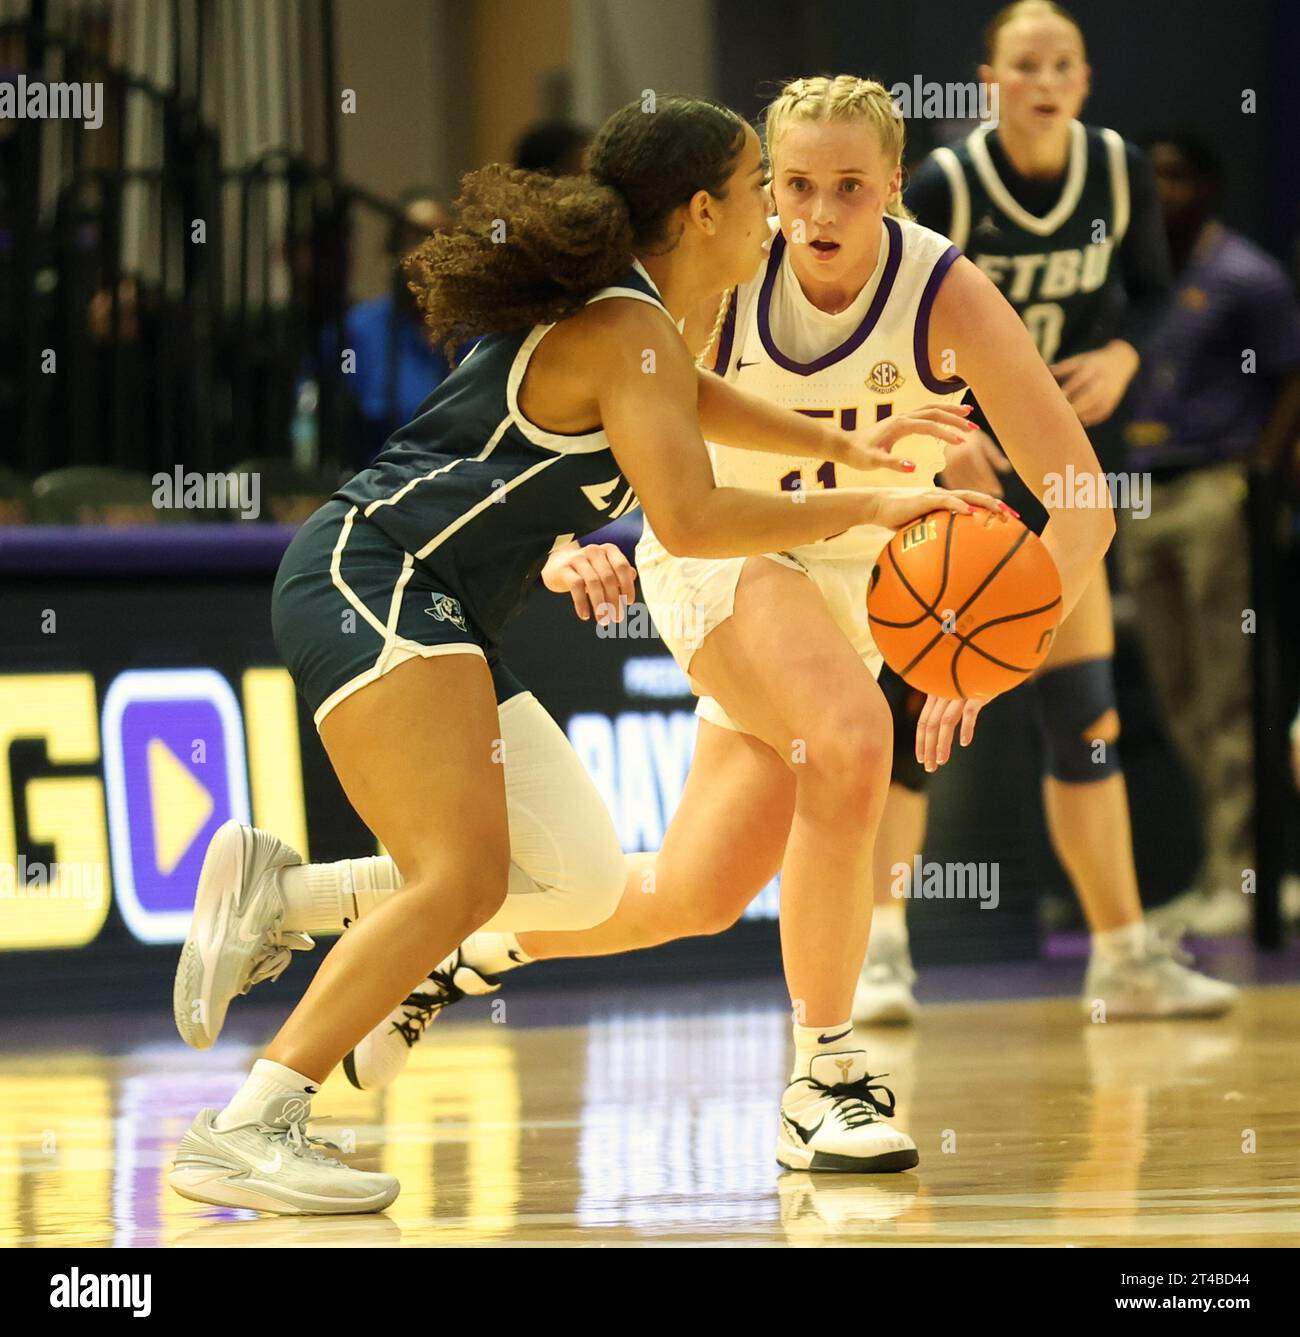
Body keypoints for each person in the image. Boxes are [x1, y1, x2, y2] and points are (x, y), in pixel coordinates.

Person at [232, 73, 1113, 1175]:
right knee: (850, 741)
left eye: (850, 186)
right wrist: (567, 541)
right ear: (758, 196)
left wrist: (996, 658)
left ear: (895, 184)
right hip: (729, 562)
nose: (819, 213)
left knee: (689, 893)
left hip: (865, 599)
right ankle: (824, 1077)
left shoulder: (942, 291)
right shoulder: (713, 276)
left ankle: (453, 948)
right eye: (793, 186)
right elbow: (567, 426)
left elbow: (1081, 497)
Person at [856, 0, 1239, 1023]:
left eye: (1059, 63)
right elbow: (896, 317)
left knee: (1084, 717)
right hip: (965, 470)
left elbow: (1152, 294)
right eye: (1022, 64)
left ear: (1082, 78)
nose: (1042, 80)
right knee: (907, 711)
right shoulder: (947, 185)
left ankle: (1119, 955)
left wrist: (1122, 352)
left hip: (1069, 481)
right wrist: (941, 432)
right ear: (986, 80)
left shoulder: (1115, 170)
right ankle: (882, 952)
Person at [1121, 131, 1300, 936]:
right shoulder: (1138, 277)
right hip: (1139, 492)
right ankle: (1222, 864)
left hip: (1214, 489)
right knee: (1177, 692)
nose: (1163, 192)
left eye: (1178, 177)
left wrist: (1258, 475)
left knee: (1233, 690)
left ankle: (1253, 873)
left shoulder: (1247, 277)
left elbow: (1294, 375)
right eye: (1150, 178)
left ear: (1210, 187)